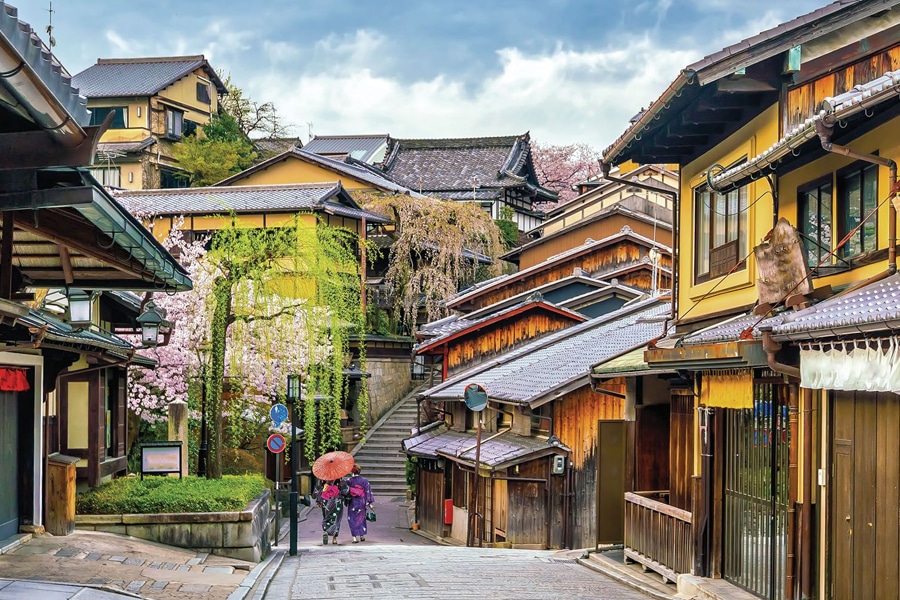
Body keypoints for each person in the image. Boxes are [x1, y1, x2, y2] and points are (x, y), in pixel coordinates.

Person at [312, 477, 349, 545]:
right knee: (337, 519)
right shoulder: (339, 479)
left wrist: (318, 501)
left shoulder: (322, 479)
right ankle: (334, 538)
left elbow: (317, 492)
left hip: (326, 501)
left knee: (326, 517)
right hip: (337, 501)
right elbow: (345, 491)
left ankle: (326, 531)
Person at [346, 465, 374, 543]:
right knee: (361, 518)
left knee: (352, 519)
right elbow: (368, 492)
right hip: (362, 501)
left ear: (352, 471)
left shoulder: (349, 480)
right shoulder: (365, 480)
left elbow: (345, 491)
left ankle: (354, 537)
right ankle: (362, 535)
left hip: (352, 502)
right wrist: (370, 503)